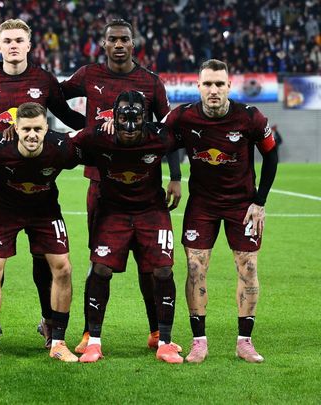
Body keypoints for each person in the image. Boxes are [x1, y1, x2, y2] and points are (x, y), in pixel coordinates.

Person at [61, 19, 182, 354]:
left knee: (151, 263)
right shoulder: (89, 74)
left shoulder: (150, 82)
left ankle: (157, 331)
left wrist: (175, 176)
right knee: (98, 259)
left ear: (133, 43)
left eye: (124, 39)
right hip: (101, 183)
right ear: (104, 43)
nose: (118, 44)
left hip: (145, 186)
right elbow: (55, 97)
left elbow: (167, 131)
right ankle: (89, 333)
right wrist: (84, 124)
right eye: (112, 39)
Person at [0, 18, 85, 349]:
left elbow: (66, 116)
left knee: (44, 260)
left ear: (29, 45)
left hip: (39, 180)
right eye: (7, 41)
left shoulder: (43, 80)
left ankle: (49, 323)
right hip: (2, 179)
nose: (13, 46)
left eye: (19, 40)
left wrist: (99, 128)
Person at [162, 59, 278, 363]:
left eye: (219, 84)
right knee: (195, 268)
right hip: (202, 205)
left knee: (248, 267)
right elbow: (160, 141)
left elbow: (271, 155)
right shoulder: (183, 117)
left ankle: (244, 342)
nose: (213, 90)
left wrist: (260, 202)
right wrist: (175, 177)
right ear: (198, 86)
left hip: (242, 205)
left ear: (229, 86)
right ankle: (199, 342)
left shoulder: (250, 117)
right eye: (207, 84)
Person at [70, 91, 184, 364]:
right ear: (114, 117)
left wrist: (176, 176)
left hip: (152, 211)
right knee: (100, 268)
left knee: (163, 270)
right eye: (123, 119)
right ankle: (93, 342)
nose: (130, 127)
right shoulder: (98, 135)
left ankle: (164, 341)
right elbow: (64, 145)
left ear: (145, 117)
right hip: (112, 211)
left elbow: (188, 138)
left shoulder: (160, 136)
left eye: (136, 119)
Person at [0, 102, 79, 364]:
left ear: (46, 129)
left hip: (44, 210)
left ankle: (58, 342)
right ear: (16, 128)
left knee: (63, 268)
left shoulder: (62, 147)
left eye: (37, 129)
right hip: (4, 211)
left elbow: (95, 149)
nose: (32, 135)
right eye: (26, 129)